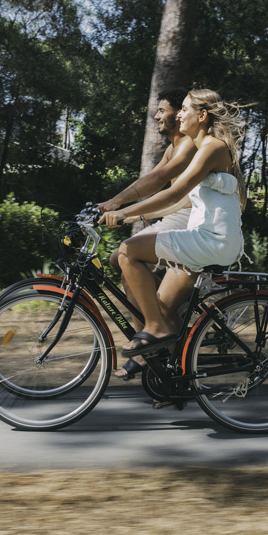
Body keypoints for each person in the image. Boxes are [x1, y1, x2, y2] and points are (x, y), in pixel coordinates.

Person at [101, 88, 247, 359]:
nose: (179, 115)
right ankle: (176, 373)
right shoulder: (204, 148)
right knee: (163, 307)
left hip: (211, 241)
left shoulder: (212, 148)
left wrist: (122, 209)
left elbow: (174, 191)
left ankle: (154, 329)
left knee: (127, 252)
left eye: (184, 109)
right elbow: (182, 201)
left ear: (202, 116)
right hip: (205, 239)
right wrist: (133, 215)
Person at [96, 88, 197, 379]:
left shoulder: (189, 145)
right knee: (121, 261)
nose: (156, 116)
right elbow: (153, 184)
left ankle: (151, 334)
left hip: (189, 222)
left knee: (125, 254)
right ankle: (155, 337)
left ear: (179, 114)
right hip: (178, 218)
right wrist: (120, 206)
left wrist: (121, 205)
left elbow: (160, 181)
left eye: (162, 110)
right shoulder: (172, 147)